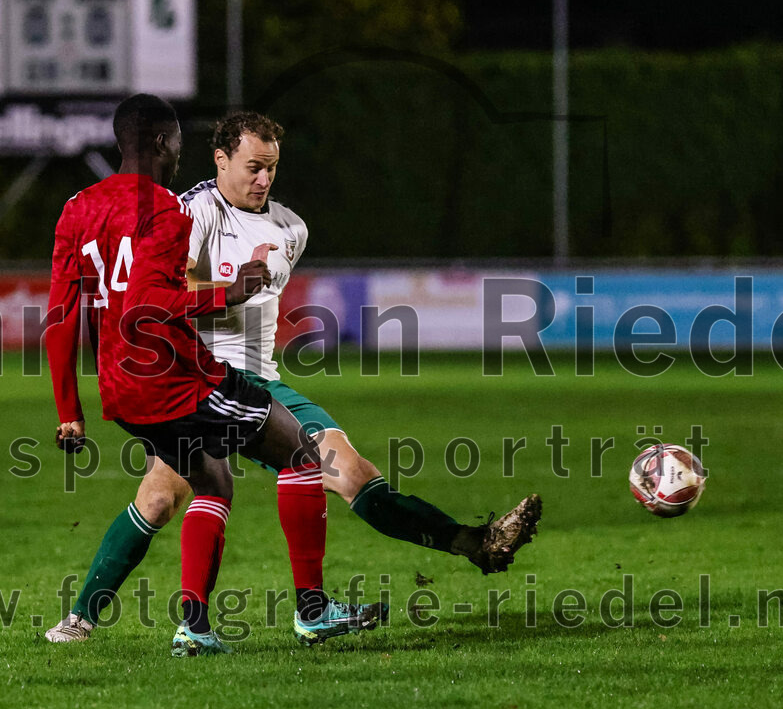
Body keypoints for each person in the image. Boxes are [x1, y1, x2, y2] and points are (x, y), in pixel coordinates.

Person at [44, 94, 383, 656]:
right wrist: (231, 292)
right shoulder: (168, 210)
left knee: (194, 488)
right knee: (301, 457)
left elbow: (60, 317)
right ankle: (311, 613)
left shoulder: (77, 208)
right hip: (177, 376)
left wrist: (68, 413)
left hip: (119, 388)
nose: (182, 153)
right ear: (162, 142)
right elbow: (151, 302)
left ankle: (138, 624)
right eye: (178, 141)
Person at [180, 111, 542, 625]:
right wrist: (231, 287)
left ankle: (473, 543)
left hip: (259, 380)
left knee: (352, 474)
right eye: (253, 167)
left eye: (272, 168)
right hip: (201, 380)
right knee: (163, 499)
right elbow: (166, 292)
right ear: (221, 159)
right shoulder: (191, 213)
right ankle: (106, 620)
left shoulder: (291, 228)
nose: (264, 179)